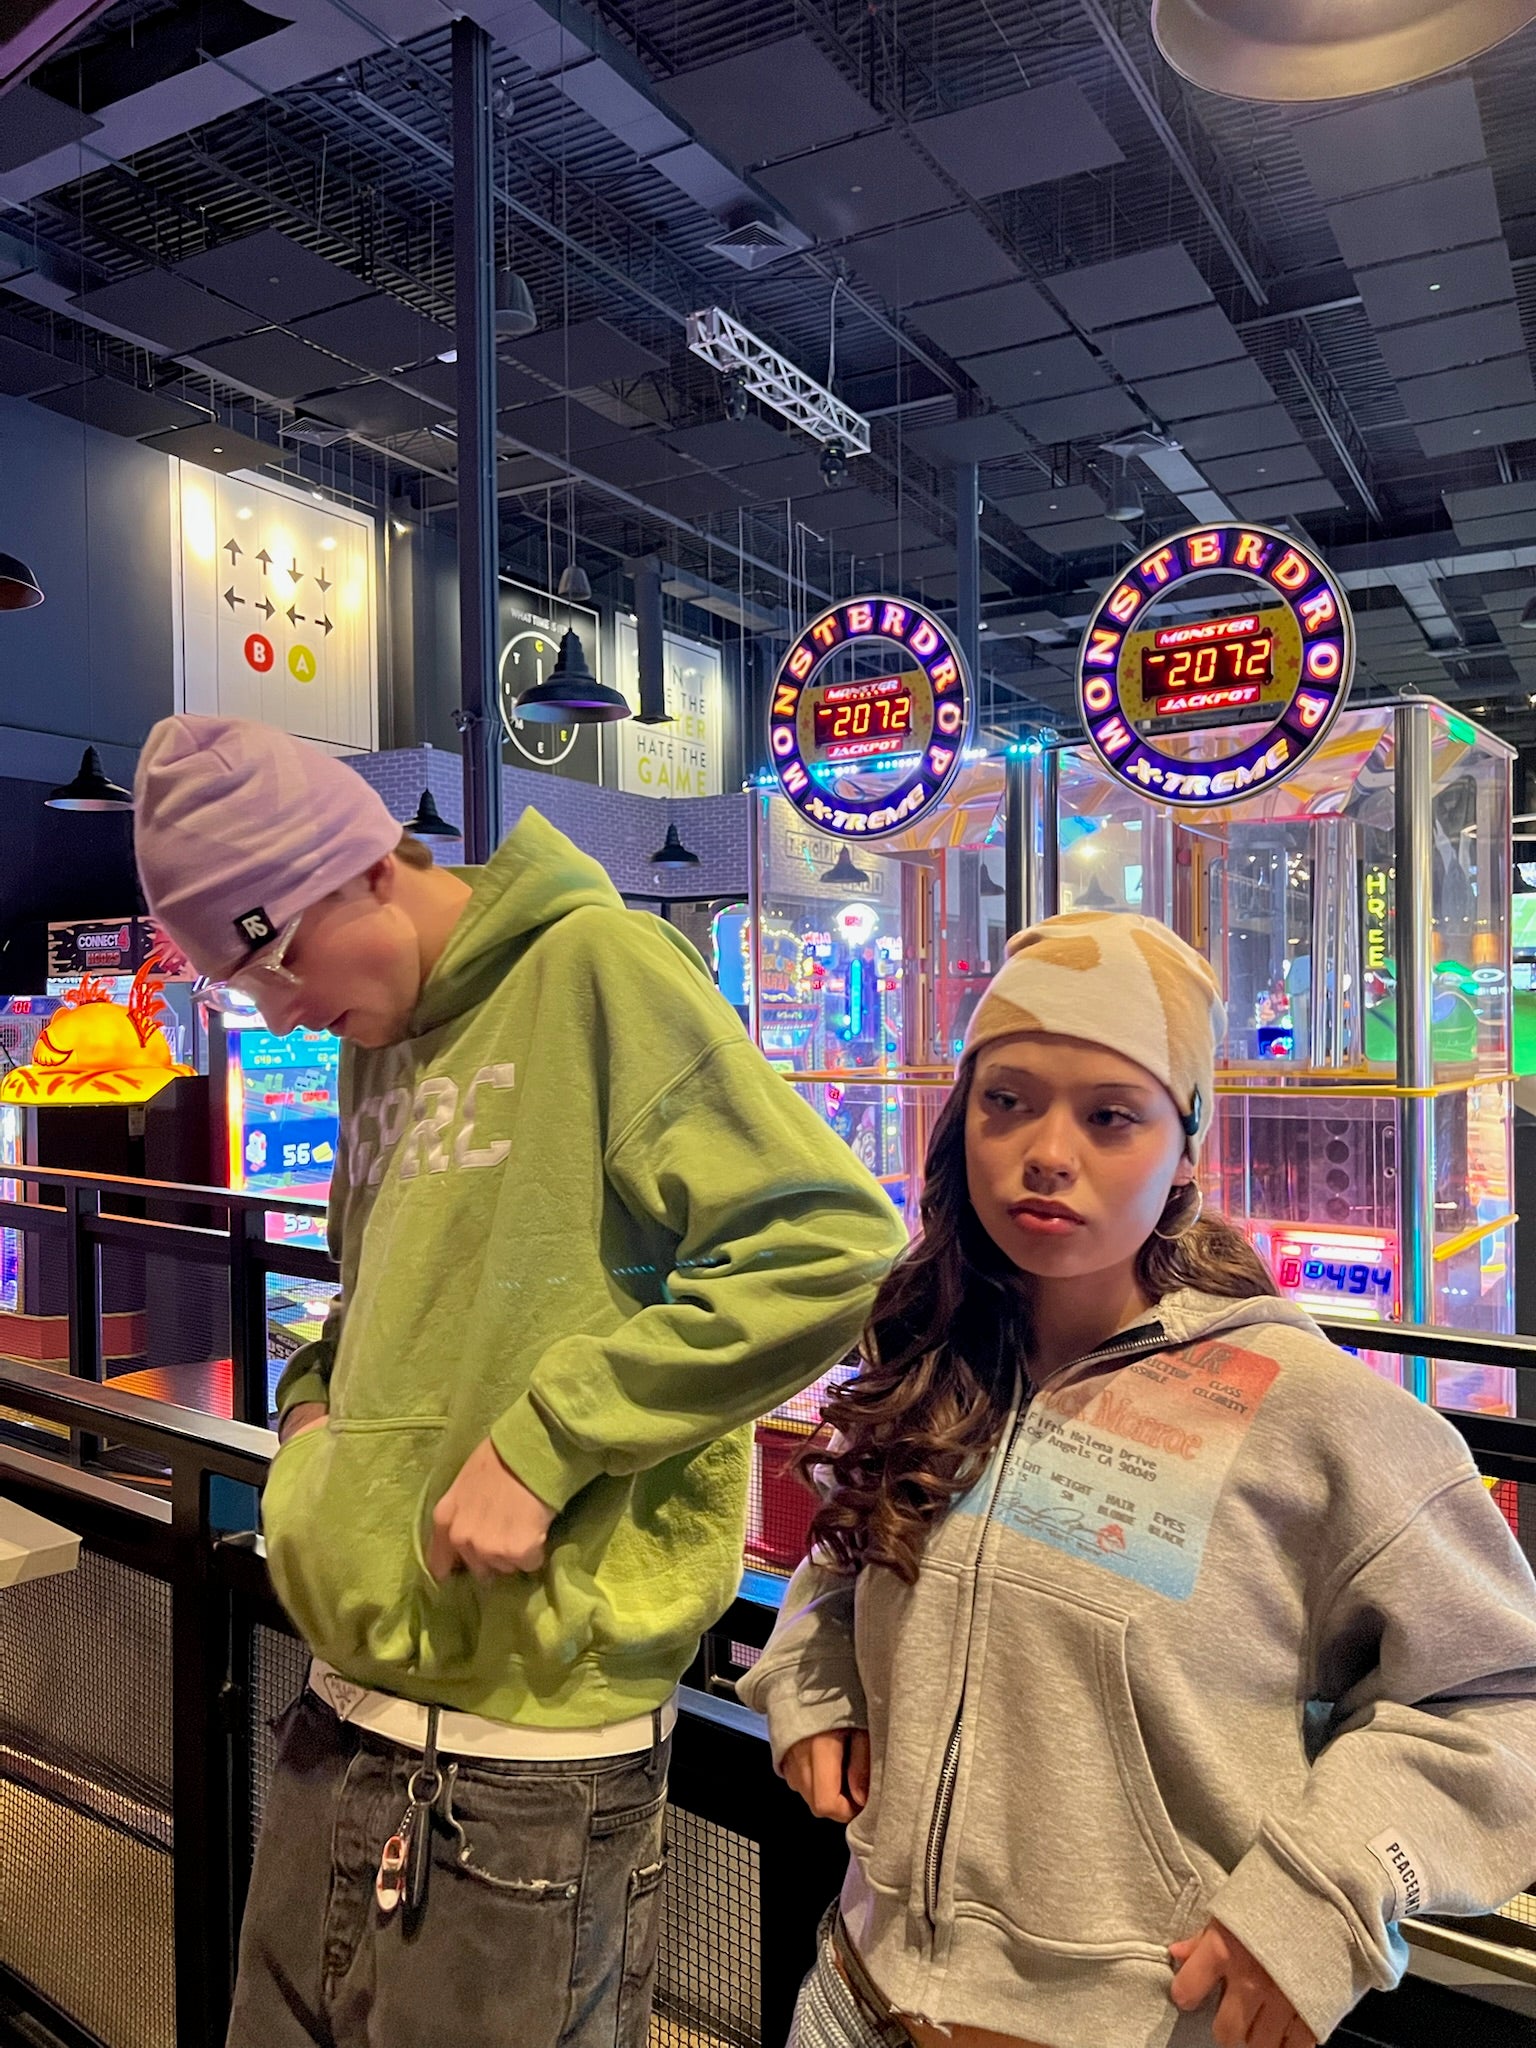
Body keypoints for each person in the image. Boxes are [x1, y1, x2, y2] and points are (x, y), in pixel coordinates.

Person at [132, 714, 908, 2048]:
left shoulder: (598, 968)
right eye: (243, 984)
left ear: (366, 863)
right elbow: (367, 1297)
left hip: (528, 1765)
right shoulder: (378, 1036)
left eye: (281, 958)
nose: (282, 1009)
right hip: (340, 1706)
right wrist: (310, 1420)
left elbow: (829, 1246)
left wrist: (549, 1441)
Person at [740, 910, 1536, 2048]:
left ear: (1184, 1152)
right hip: (848, 2002)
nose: (1046, 1151)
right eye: (1007, 1099)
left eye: (1111, 1115)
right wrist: (814, 1668)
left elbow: (1507, 1703)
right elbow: (852, 1550)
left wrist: (1326, 1885)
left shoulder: (1310, 1413)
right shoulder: (939, 1359)